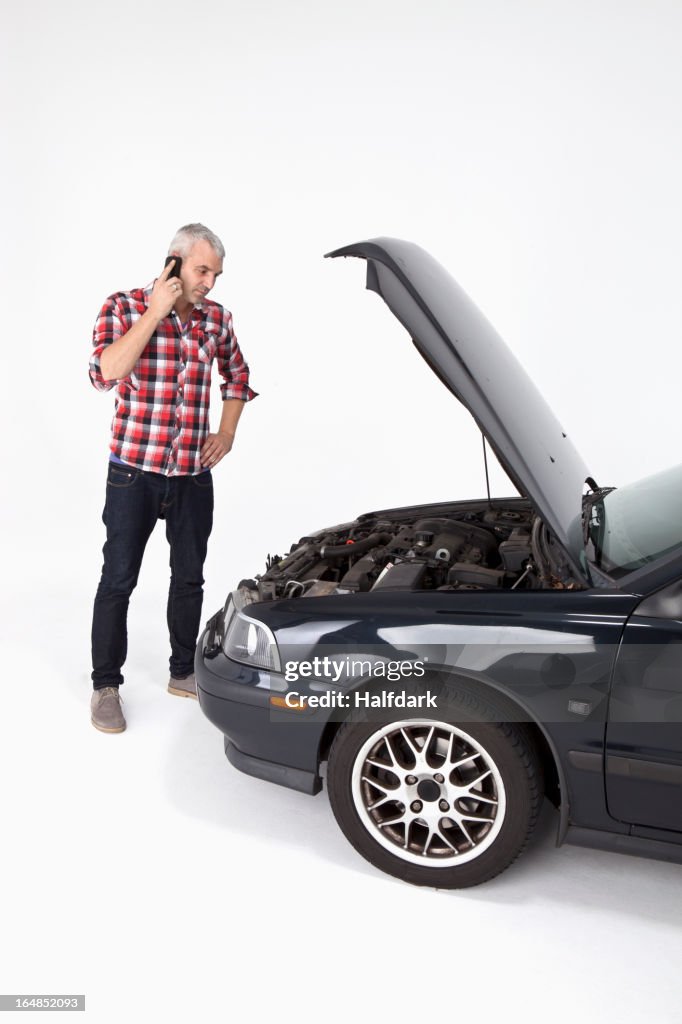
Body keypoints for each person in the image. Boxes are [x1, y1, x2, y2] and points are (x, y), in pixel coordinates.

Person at [88, 223, 256, 733]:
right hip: (132, 475)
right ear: (174, 263)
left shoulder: (216, 319)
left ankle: (182, 670)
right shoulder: (122, 306)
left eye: (216, 274)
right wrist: (155, 312)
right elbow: (104, 373)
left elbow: (239, 377)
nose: (210, 282)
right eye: (203, 270)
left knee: (189, 578)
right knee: (118, 580)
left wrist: (225, 432)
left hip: (190, 476)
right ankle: (105, 685)